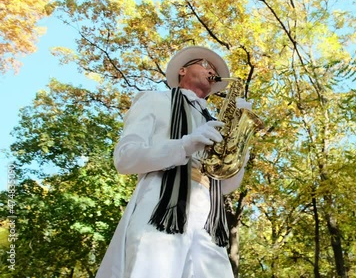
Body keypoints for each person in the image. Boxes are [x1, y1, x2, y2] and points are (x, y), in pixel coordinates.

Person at [96, 46, 252, 278]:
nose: (212, 71)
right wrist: (184, 145)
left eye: (215, 69)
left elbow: (225, 186)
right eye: (206, 64)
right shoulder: (155, 100)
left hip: (209, 217)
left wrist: (240, 149)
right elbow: (125, 158)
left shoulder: (215, 121)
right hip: (159, 206)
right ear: (182, 70)